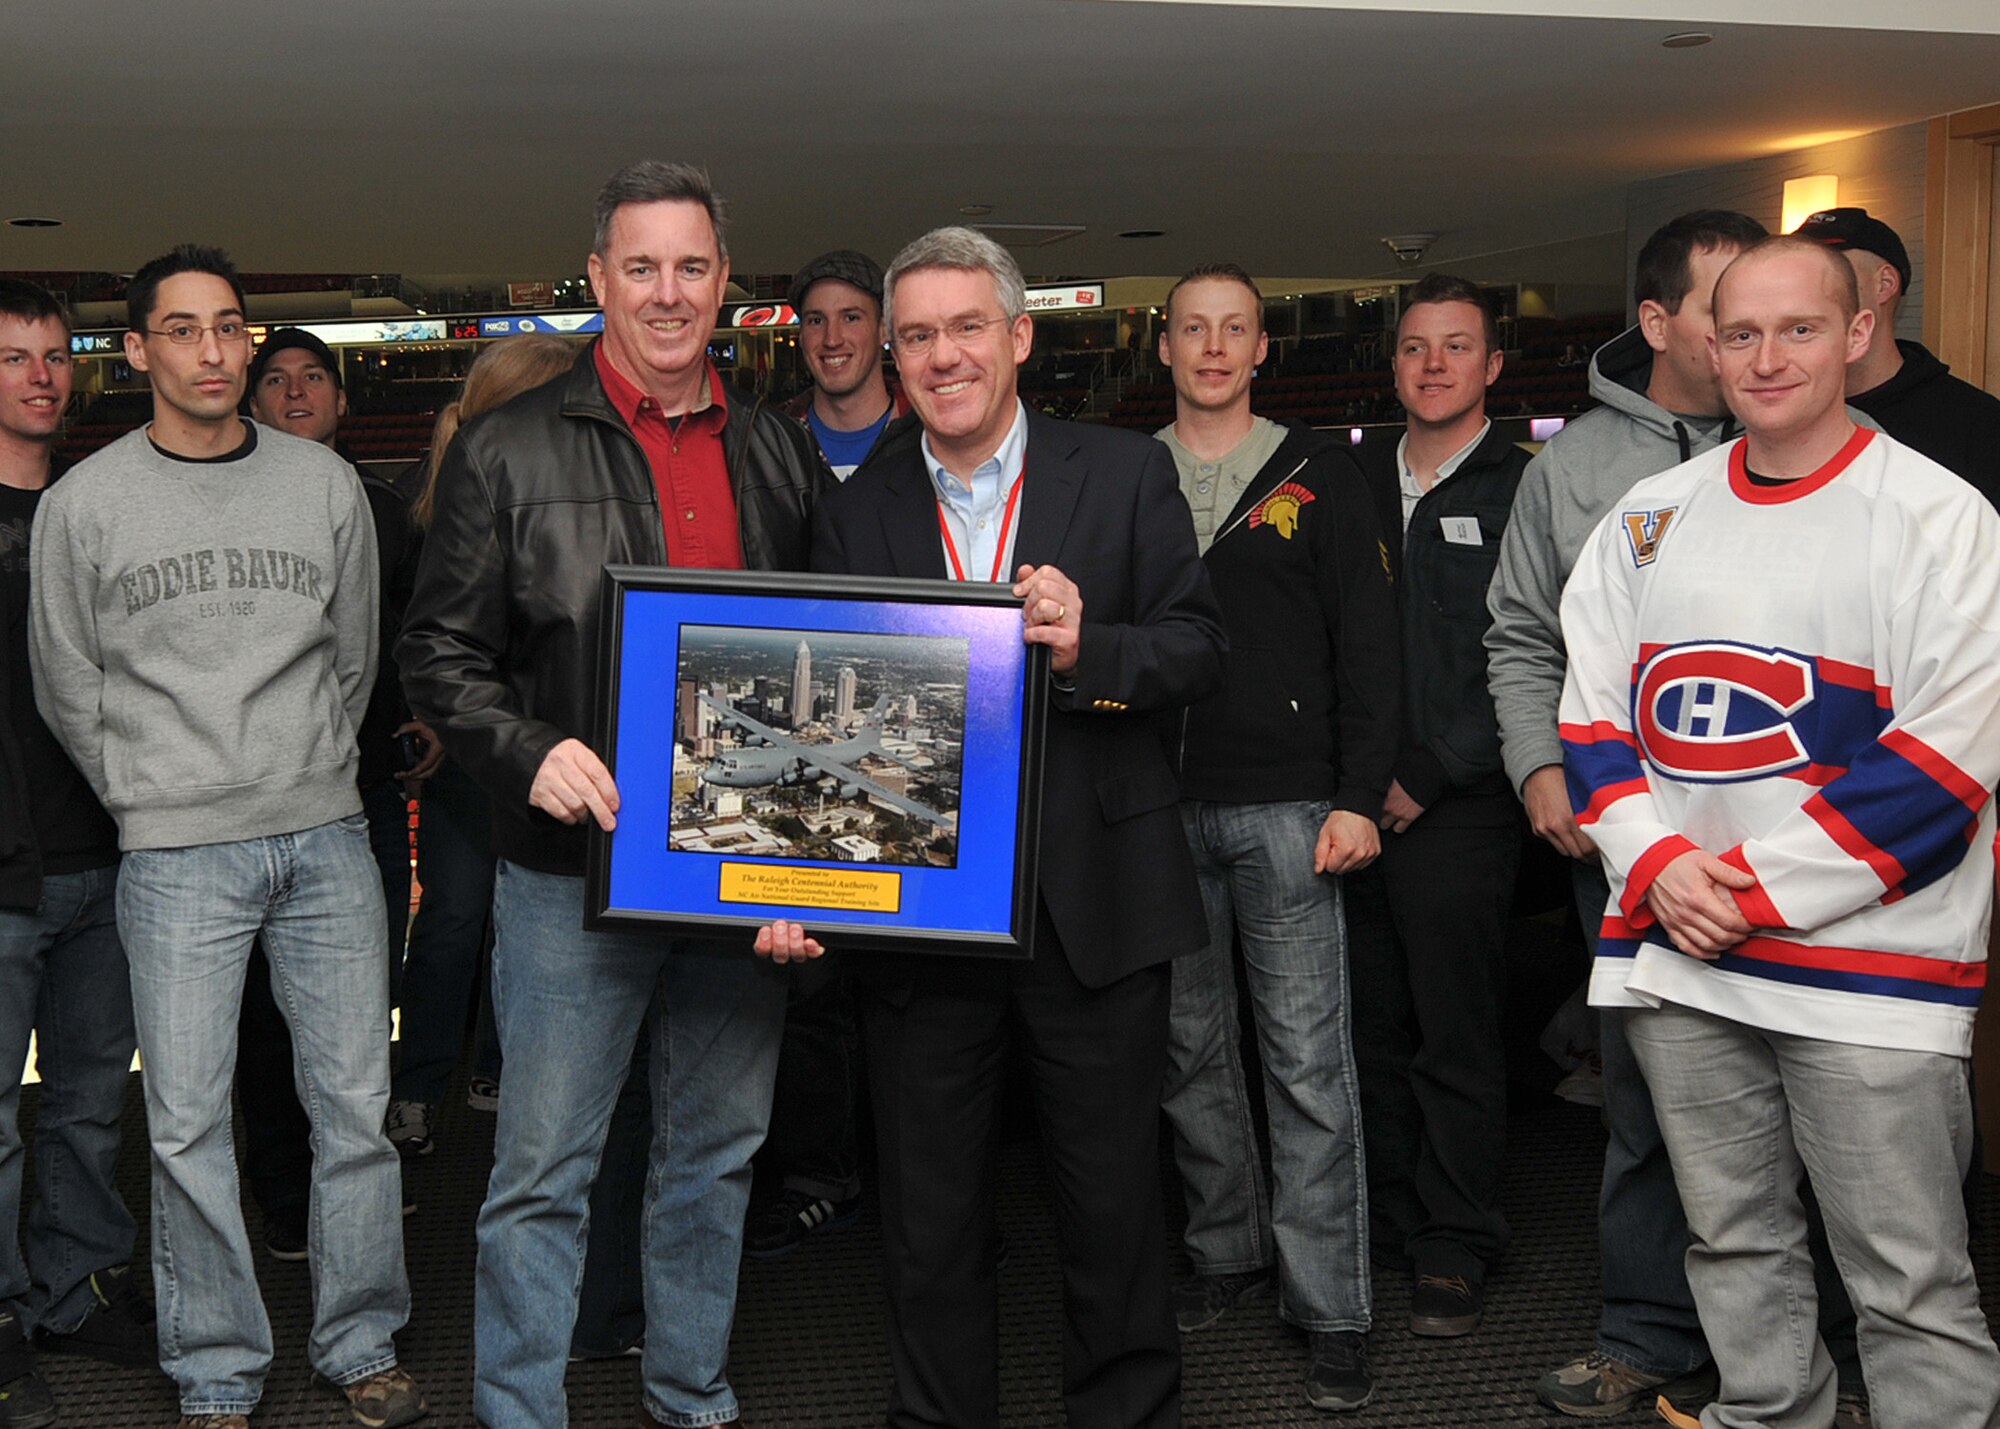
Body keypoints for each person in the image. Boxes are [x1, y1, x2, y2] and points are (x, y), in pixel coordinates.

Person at [758, 225, 1226, 1429]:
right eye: (915, 335)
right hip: (919, 914)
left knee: (1113, 1203)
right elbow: (824, 702)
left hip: (1094, 898)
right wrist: (798, 880)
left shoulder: (1121, 474)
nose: (939, 355)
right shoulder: (854, 508)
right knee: (928, 1215)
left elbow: (1196, 648)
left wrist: (1090, 649)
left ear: (1017, 338)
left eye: (966, 327)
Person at [398, 161, 829, 1429]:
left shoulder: (773, 451)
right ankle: (521, 1411)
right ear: (596, 279)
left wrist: (807, 869)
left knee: (712, 1159)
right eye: (638, 266)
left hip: (734, 873)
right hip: (563, 881)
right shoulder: (507, 450)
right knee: (542, 1174)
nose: (666, 292)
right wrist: (528, 747)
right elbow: (437, 652)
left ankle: (688, 1388)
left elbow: (818, 654)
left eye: (691, 266)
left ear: (724, 284)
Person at [1560, 234, 2000, 1429]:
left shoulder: (1936, 517)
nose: (1763, 357)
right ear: (1704, 342)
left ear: (1855, 332)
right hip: (1681, 954)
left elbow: (1945, 758)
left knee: (1906, 1277)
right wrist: (1655, 862)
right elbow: (1591, 714)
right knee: (1731, 1243)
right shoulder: (1649, 516)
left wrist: (1739, 889)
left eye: (1796, 328)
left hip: (1868, 975)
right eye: (1737, 331)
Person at [28, 246, 421, 1429]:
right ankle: (215, 1369)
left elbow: (355, 659)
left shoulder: (321, 484)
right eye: (183, 330)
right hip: (173, 852)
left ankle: (359, 1342)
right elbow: (67, 684)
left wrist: (298, 770)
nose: (213, 351)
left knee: (352, 1106)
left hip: (323, 837)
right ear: (138, 350)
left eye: (231, 327)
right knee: (187, 1120)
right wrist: (155, 794)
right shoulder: (84, 504)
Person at [1485, 209, 1767, 1419]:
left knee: (1799, 1105)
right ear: (1657, 322)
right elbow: (1518, 636)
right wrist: (1539, 772)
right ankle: (1647, 1335)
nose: (1753, 341)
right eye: (1724, 310)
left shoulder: (1820, 448)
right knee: (1651, 1104)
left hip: (1789, 849)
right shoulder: (1577, 470)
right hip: (1627, 838)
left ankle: (1794, 1359)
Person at [1149, 262, 1397, 1411]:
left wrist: (1357, 792)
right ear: (1163, 348)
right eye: (1191, 329)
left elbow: (1369, 642)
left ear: (1260, 350)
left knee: (1305, 1061)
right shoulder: (1128, 471)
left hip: (1291, 805)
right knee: (1187, 1053)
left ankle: (1330, 1304)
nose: (1211, 347)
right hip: (1156, 804)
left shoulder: (1323, 472)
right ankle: (1225, 1249)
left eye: (1232, 330)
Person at [1348, 272, 1528, 1339]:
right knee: (1367, 1026)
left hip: (1460, 802)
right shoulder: (1352, 476)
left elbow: (1527, 653)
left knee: (1452, 1033)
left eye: (1454, 347)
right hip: (1355, 801)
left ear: (1491, 366)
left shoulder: (1522, 487)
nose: (1431, 366)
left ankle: (1454, 1240)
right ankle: (1383, 1220)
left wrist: (1427, 770)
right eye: (1415, 347)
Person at [239, 326, 433, 1253]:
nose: (295, 392)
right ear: (252, 399)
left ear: (343, 401)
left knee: (359, 1011)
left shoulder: (385, 508)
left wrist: (426, 715)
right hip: (249, 802)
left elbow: (413, 636)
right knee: (262, 1019)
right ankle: (283, 1192)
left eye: (314, 376)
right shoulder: (222, 503)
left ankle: (353, 1187)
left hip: (360, 787)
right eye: (274, 379)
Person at [0, 279, 152, 1429]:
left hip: (110, 852)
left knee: (95, 1102)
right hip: (1, 869)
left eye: (54, 355)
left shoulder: (99, 508)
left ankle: (73, 1287)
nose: (41, 375)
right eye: (14, 357)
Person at [387, 334, 579, 1159]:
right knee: (457, 917)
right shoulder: (431, 499)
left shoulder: (569, 491)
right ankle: (421, 1086)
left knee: (521, 923)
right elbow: (415, 641)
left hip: (559, 754)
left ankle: (497, 1072)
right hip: (478, 754)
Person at [1791, 205, 2000, 507]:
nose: (1804, 285)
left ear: (1885, 284)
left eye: (1831, 267)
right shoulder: (1778, 405)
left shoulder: (1977, 424)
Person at [781, 249, 909, 480]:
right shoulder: (772, 440)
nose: (832, 339)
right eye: (816, 321)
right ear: (800, 336)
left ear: (884, 330)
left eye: (851, 318)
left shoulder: (927, 432)